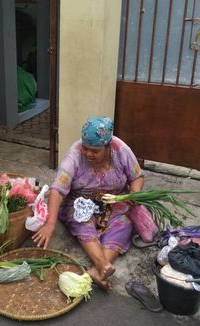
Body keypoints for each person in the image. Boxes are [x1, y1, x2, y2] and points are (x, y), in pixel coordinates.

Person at [32, 116, 157, 291]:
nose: (88, 153)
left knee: (124, 223)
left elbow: (137, 177)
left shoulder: (120, 149)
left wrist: (135, 195)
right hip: (80, 202)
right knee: (82, 221)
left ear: (108, 147)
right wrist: (50, 224)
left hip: (114, 201)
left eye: (95, 150)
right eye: (86, 148)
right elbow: (57, 190)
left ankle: (97, 271)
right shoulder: (75, 154)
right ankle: (101, 265)